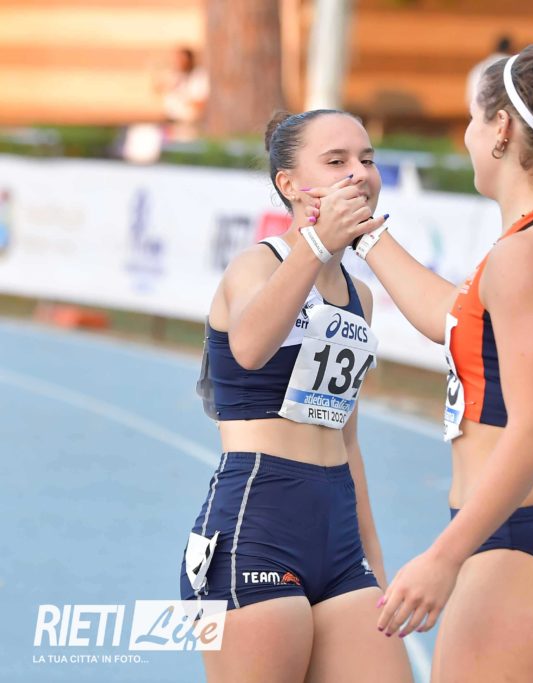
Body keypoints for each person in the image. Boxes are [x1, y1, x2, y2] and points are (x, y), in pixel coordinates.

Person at [305, 42, 533, 681]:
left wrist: (443, 558)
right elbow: (452, 319)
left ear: (502, 129)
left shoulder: (529, 255)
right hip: (529, 538)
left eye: (470, 118)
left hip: (522, 547)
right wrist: (364, 232)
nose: (465, 136)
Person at [179, 109, 412, 683]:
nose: (358, 173)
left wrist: (375, 562)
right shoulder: (254, 267)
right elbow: (250, 348)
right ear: (289, 184)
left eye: (366, 160)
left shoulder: (359, 296)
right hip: (255, 528)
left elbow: (347, 439)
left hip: (338, 538)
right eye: (336, 161)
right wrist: (316, 244)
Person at [154, 47, 209, 142]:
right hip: (170, 120)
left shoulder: (198, 76)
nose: (179, 62)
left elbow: (200, 103)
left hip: (187, 123)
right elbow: (158, 89)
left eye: (182, 59)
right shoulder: (176, 74)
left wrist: (181, 95)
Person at [465, 35, 512, 107]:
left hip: (477, 108)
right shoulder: (510, 65)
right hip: (500, 109)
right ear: (510, 49)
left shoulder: (478, 67)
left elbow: (469, 97)